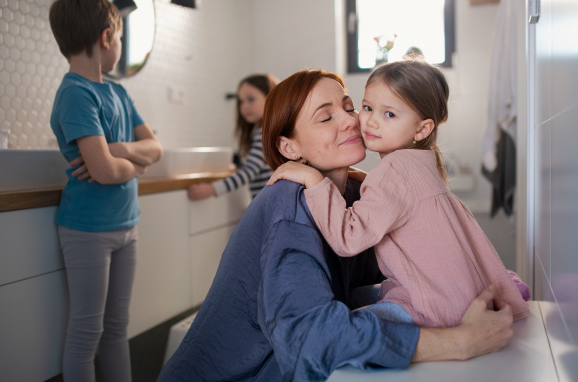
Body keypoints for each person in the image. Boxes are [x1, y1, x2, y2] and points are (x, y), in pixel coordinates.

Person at [158, 69, 514, 382]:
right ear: (289, 147)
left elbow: (412, 264)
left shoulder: (357, 194)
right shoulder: (291, 205)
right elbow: (312, 337)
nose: (351, 120)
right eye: (325, 118)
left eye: (348, 106)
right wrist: (461, 342)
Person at [267, 60, 530, 328]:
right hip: (455, 291)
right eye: (367, 107)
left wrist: (314, 180)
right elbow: (406, 201)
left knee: (345, 327)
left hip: (435, 304)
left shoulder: (393, 169)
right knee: (356, 296)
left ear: (422, 129)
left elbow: (349, 238)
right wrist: (369, 179)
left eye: (389, 114)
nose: (369, 121)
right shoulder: (419, 162)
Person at [49, 0, 163, 382]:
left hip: (126, 226)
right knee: (86, 332)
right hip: (87, 231)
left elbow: (156, 148)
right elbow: (105, 172)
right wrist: (134, 164)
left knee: (116, 329)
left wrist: (117, 150)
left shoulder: (116, 91)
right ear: (106, 38)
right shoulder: (75, 95)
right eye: (118, 34)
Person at [187, 74, 279, 201]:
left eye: (251, 99)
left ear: (271, 97)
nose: (244, 106)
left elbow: (249, 172)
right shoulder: (269, 131)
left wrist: (213, 189)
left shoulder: (264, 133)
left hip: (272, 205)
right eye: (241, 101)